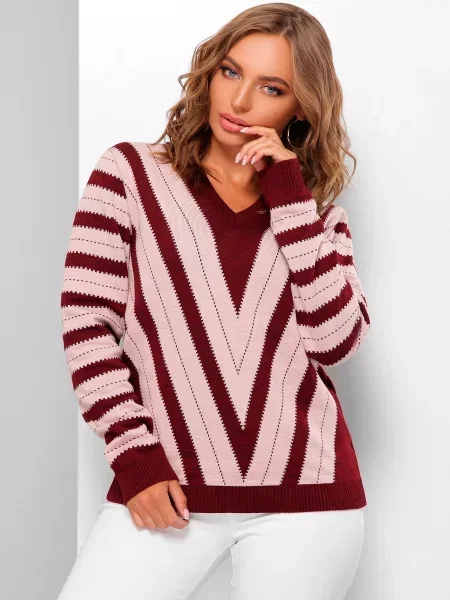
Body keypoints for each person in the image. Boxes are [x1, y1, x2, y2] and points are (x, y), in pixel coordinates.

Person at [57, 3, 371, 599]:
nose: (240, 100)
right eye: (231, 72)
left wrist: (288, 195)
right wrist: (134, 457)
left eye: (271, 88)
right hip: (167, 488)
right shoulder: (128, 176)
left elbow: (336, 342)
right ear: (211, 72)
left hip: (307, 503)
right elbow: (87, 325)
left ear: (300, 109)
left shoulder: (318, 220)